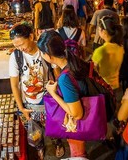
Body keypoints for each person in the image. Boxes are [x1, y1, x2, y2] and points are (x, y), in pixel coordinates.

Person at [8, 23, 63, 159]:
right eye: (16, 46)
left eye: (22, 44)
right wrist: (21, 108)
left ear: (31, 36)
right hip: (29, 103)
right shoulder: (16, 57)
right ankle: (40, 147)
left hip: (47, 99)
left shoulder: (44, 50)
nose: (21, 49)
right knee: (34, 130)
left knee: (52, 124)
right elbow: (14, 85)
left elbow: (57, 72)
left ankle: (57, 143)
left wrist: (58, 90)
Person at [37, 30, 89, 158]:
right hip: (89, 109)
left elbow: (77, 114)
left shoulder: (65, 78)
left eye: (42, 53)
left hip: (79, 124)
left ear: (48, 55)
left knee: (78, 154)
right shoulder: (75, 60)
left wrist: (53, 93)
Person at [91, 15, 124, 109]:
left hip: (103, 87)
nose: (98, 31)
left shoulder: (100, 51)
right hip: (116, 86)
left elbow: (93, 69)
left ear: (104, 32)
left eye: (99, 29)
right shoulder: (120, 47)